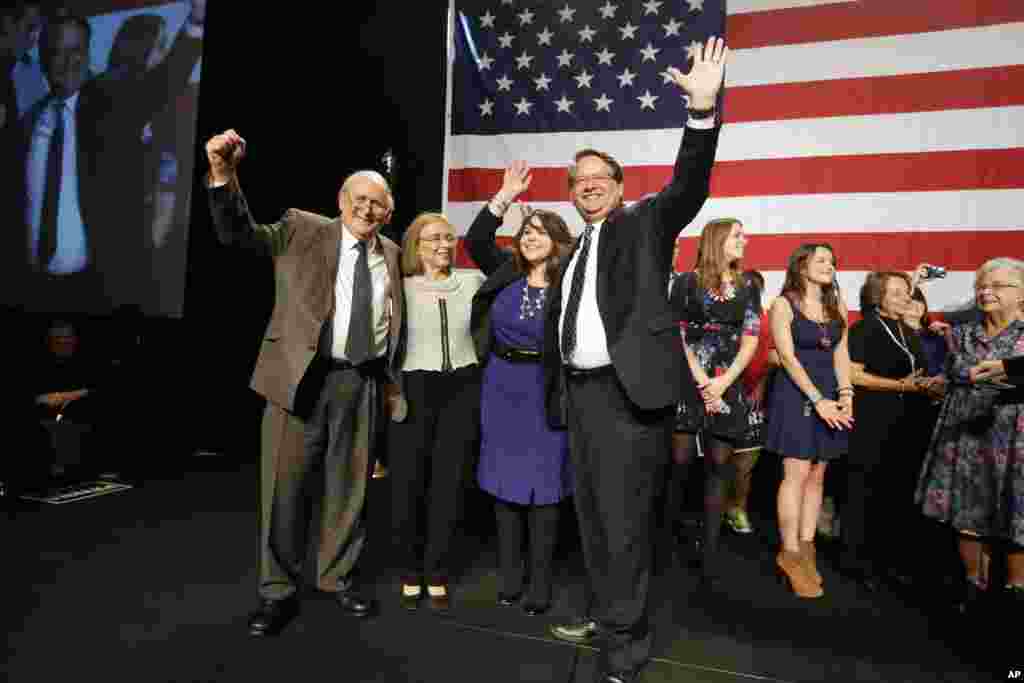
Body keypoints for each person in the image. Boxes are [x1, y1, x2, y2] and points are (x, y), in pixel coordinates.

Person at [544, 36, 728, 683]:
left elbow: (689, 187)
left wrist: (700, 113)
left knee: (624, 527)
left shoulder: (644, 224)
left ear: (619, 187)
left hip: (629, 400)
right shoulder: (569, 254)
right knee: (594, 523)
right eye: (579, 182)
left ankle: (625, 649)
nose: (588, 187)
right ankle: (607, 612)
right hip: (582, 399)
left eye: (600, 179)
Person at [205, 129, 405, 636]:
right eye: (358, 199)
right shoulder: (301, 228)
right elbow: (239, 234)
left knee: (350, 490)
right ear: (340, 201)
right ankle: (277, 591)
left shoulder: (395, 254)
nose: (367, 209)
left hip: (361, 384)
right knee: (283, 490)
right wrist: (225, 177)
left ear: (389, 211)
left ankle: (337, 578)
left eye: (377, 203)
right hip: (301, 379)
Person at [2, 6, 204, 313]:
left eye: (76, 51)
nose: (67, 62)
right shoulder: (27, 124)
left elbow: (163, 85)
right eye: (56, 52)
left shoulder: (110, 109)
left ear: (87, 54)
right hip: (31, 289)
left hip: (95, 290)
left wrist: (195, 24)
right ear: (43, 59)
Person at [465, 162, 574, 617]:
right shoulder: (505, 271)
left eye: (540, 231)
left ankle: (540, 583)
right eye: (526, 230)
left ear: (557, 242)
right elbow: (474, 242)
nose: (530, 237)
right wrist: (504, 196)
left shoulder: (572, 282)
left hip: (547, 392)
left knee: (545, 490)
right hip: (500, 388)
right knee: (503, 485)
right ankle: (510, 578)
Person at [387, 213, 484, 611]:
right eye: (433, 239)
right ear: (416, 245)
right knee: (408, 484)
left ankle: (437, 570)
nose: (443, 245)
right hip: (413, 387)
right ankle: (410, 571)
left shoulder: (473, 281)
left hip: (461, 388)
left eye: (448, 237)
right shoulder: (401, 287)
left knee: (449, 484)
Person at [918, 257, 1024, 607]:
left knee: (1016, 514)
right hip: (965, 433)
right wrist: (938, 383)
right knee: (967, 513)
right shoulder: (961, 332)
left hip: (1015, 437)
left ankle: (1015, 594)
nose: (986, 291)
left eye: (997, 286)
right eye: (982, 285)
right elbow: (950, 375)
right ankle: (971, 588)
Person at [666, 218, 759, 580]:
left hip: (727, 384)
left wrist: (723, 382)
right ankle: (667, 539)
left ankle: (711, 551)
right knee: (679, 462)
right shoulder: (686, 283)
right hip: (690, 382)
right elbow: (680, 334)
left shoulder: (748, 285)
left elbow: (751, 337)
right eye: (737, 235)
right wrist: (703, 380)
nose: (744, 241)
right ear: (718, 240)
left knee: (719, 466)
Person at [841, 271, 939, 592]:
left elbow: (915, 372)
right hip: (873, 421)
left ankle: (888, 560)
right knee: (865, 491)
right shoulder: (864, 329)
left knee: (895, 493)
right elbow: (854, 376)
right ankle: (856, 562)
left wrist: (926, 385)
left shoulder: (906, 329)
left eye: (906, 292)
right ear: (876, 297)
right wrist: (901, 385)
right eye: (896, 292)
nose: (905, 298)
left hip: (907, 422)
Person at [764, 244, 853, 598]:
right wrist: (818, 400)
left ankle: (807, 547)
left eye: (832, 261)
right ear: (801, 266)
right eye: (821, 261)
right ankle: (789, 553)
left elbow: (842, 353)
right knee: (796, 472)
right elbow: (786, 356)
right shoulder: (784, 304)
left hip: (832, 396)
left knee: (818, 474)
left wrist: (846, 395)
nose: (829, 266)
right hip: (797, 394)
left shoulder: (837, 306)